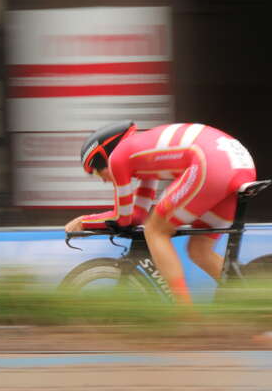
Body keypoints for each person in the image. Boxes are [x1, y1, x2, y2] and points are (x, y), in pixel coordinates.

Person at [65, 121, 256, 305]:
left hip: (211, 162)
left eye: (97, 173)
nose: (103, 180)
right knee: (199, 250)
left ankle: (185, 314)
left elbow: (121, 218)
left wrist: (84, 221)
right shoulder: (142, 159)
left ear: (103, 156)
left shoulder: (117, 158)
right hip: (239, 166)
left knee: (155, 231)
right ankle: (249, 300)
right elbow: (137, 215)